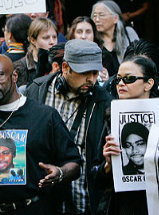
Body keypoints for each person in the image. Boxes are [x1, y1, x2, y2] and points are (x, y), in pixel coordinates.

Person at [0, 54, 82, 214]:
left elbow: (74, 164)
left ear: (14, 76)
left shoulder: (44, 116)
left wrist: (60, 173)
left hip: (35, 208)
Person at [25, 39, 112, 214]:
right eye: (85, 73)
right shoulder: (37, 90)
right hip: (43, 202)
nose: (92, 79)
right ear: (65, 67)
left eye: (96, 73)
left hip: (83, 203)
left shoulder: (104, 102)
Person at [98, 56, 159, 215]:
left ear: (149, 83)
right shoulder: (111, 118)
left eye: (129, 79)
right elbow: (95, 177)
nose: (121, 84)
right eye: (118, 79)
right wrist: (107, 166)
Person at [91, 0, 139, 72]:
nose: (97, 19)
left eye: (101, 15)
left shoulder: (128, 33)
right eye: (94, 16)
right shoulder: (92, 38)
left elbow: (140, 61)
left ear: (115, 18)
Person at [66, 16, 117, 81]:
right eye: (79, 32)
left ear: (94, 35)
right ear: (73, 35)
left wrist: (107, 80)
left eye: (88, 32)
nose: (83, 36)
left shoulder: (105, 57)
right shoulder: (65, 56)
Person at [14, 18, 58, 87]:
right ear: (33, 40)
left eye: (54, 37)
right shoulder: (20, 67)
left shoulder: (59, 63)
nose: (52, 42)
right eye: (46, 38)